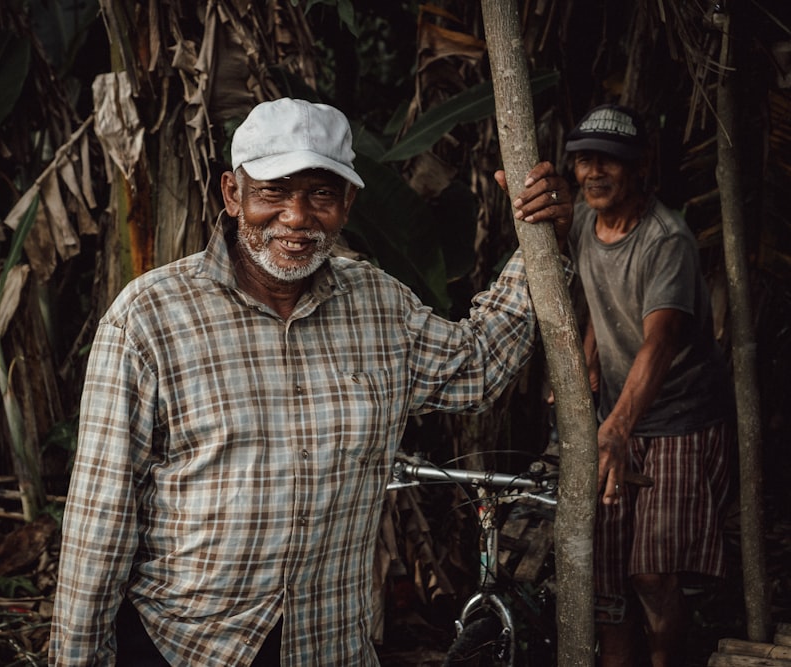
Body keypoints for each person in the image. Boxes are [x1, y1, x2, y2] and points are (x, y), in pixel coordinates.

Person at [48, 97, 571, 666]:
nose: (297, 218)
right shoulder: (149, 317)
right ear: (232, 194)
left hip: (329, 644)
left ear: (348, 202)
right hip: (182, 646)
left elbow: (476, 368)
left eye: (321, 193)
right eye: (273, 190)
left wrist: (539, 244)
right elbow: (100, 519)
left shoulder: (378, 305)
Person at [564, 104, 734, 666]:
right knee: (609, 575)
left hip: (678, 421)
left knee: (652, 572)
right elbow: (599, 299)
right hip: (619, 416)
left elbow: (660, 342)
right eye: (584, 159)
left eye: (609, 161)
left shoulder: (667, 241)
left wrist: (613, 429)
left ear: (640, 167)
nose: (594, 171)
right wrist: (587, 358)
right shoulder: (587, 222)